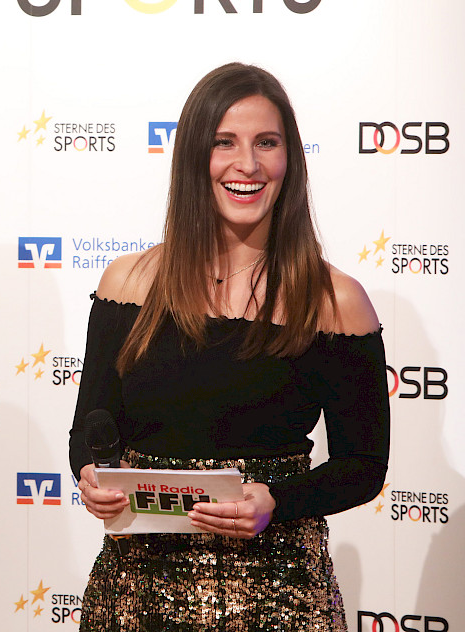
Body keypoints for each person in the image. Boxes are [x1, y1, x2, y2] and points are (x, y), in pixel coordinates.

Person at [68, 63, 389, 632]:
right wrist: (93, 478)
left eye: (266, 142)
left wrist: (277, 501)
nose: (248, 164)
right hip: (137, 590)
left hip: (280, 594)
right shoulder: (128, 283)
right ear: (195, 158)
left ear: (290, 158)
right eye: (225, 143)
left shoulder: (335, 300)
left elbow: (362, 466)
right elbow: (90, 431)